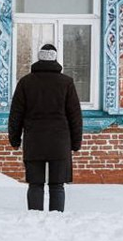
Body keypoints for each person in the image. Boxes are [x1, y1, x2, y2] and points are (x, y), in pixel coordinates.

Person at [8, 43, 83, 212]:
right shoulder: (66, 83)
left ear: (39, 58)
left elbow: (16, 114)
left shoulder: (26, 82)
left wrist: (14, 139)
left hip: (34, 140)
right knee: (57, 185)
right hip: (60, 141)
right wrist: (76, 142)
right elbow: (75, 116)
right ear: (55, 58)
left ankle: (35, 218)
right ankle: (56, 219)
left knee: (35, 184)